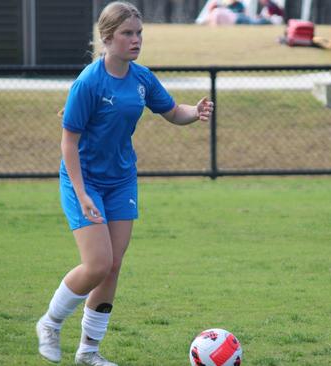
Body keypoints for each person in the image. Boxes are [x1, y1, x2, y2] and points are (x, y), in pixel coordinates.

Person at [35, 2, 214, 365]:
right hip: (83, 181)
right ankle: (50, 322)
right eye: (127, 34)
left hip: (121, 181)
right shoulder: (89, 82)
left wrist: (194, 113)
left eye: (139, 33)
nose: (136, 40)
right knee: (98, 263)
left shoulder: (142, 78)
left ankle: (88, 352)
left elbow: (172, 112)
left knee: (114, 265)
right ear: (107, 38)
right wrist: (83, 193)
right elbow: (68, 142)